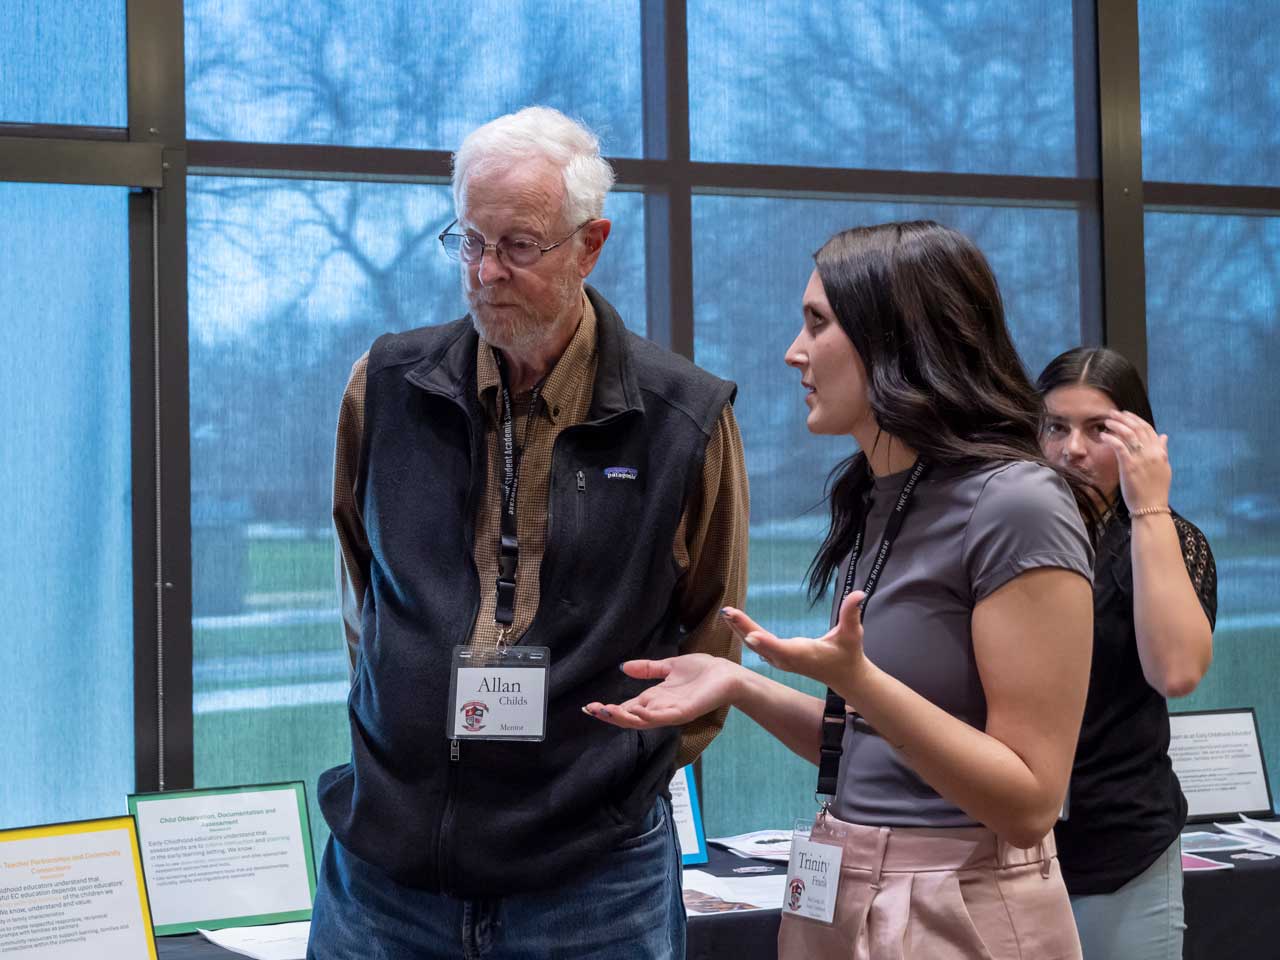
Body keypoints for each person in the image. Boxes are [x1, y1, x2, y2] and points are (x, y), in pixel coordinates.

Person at [308, 106, 749, 960]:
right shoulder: (387, 386)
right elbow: (362, 597)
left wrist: (618, 780)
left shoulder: (681, 417)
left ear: (590, 245)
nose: (485, 272)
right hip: (389, 876)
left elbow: (712, 630)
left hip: (593, 882)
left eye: (518, 246)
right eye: (469, 242)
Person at [587, 220, 1097, 959]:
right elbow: (871, 744)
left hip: (958, 905)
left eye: (818, 323)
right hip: (846, 882)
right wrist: (740, 683)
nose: (794, 352)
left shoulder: (1017, 502)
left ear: (900, 337)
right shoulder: (880, 493)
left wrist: (859, 681)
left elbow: (1029, 802)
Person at [1037, 347, 1216, 960]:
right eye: (1055, 427)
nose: (1073, 449)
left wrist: (1149, 504)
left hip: (1123, 848)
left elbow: (1176, 671)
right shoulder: (1008, 532)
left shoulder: (1169, 538)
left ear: (1137, 437)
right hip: (1008, 842)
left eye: (1099, 430)